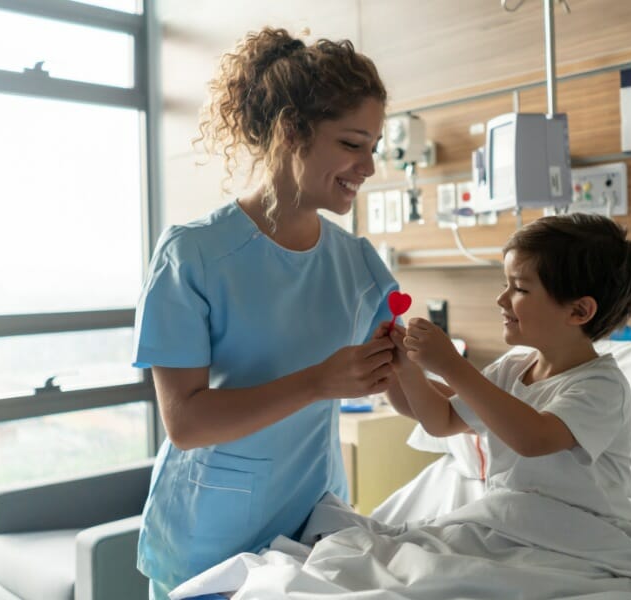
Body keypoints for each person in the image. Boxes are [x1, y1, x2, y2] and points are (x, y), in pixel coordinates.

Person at [132, 27, 400, 598]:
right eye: (353, 144)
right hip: (209, 541)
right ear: (290, 132)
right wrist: (320, 381)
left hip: (313, 535)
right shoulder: (194, 255)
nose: (368, 167)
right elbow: (185, 423)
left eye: (374, 147)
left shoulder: (358, 265)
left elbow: (404, 390)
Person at [384, 213, 631, 539]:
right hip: (514, 525)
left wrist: (452, 365)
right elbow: (442, 420)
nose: (501, 299)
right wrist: (402, 369)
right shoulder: (510, 371)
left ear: (578, 311)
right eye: (504, 284)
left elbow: (533, 439)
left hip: (585, 537)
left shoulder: (602, 387)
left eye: (519, 288)